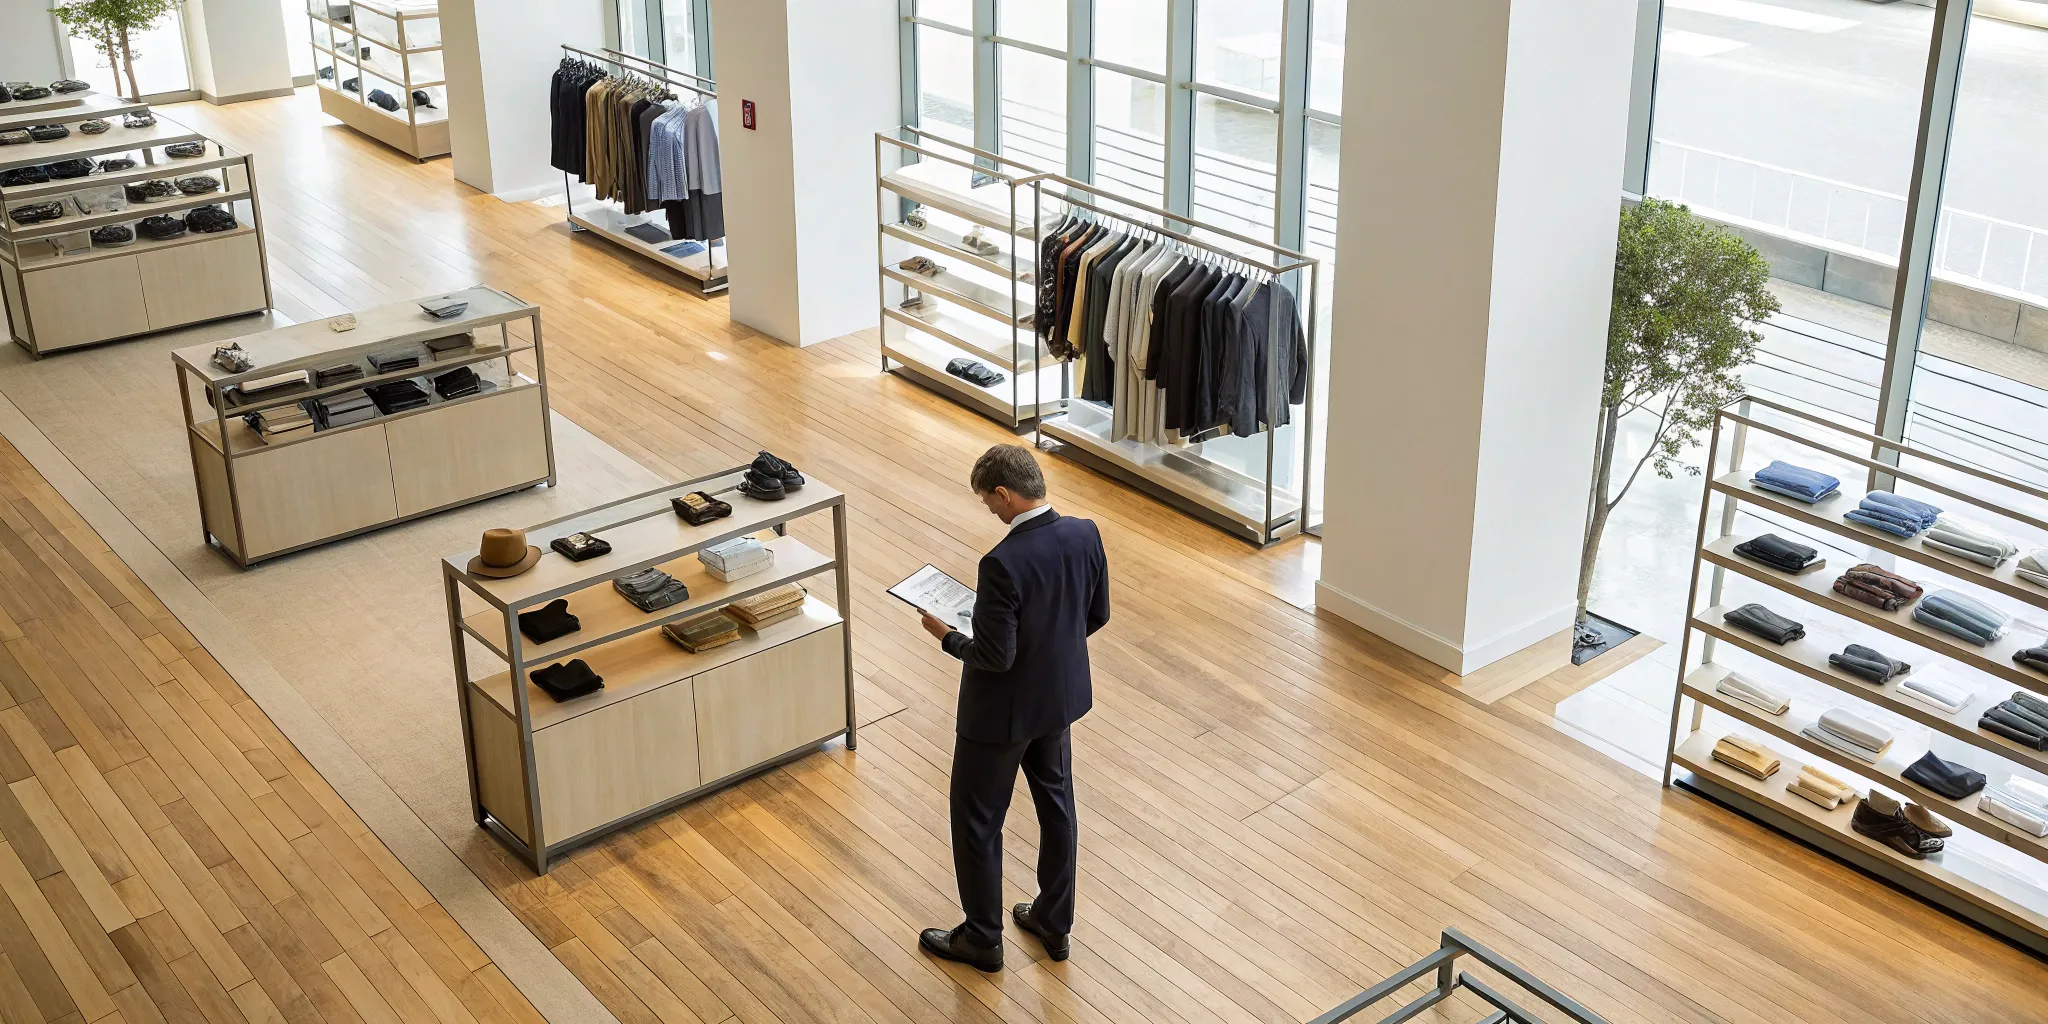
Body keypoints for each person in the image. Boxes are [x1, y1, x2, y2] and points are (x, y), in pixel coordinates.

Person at [916, 444, 1109, 972]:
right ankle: (1053, 919)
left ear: (1005, 493)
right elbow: (1096, 614)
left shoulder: (1002, 563)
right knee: (1057, 806)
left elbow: (994, 657)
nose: (990, 512)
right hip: (1058, 700)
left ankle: (982, 938)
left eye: (988, 502)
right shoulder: (1085, 533)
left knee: (977, 821)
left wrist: (948, 636)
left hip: (998, 717)